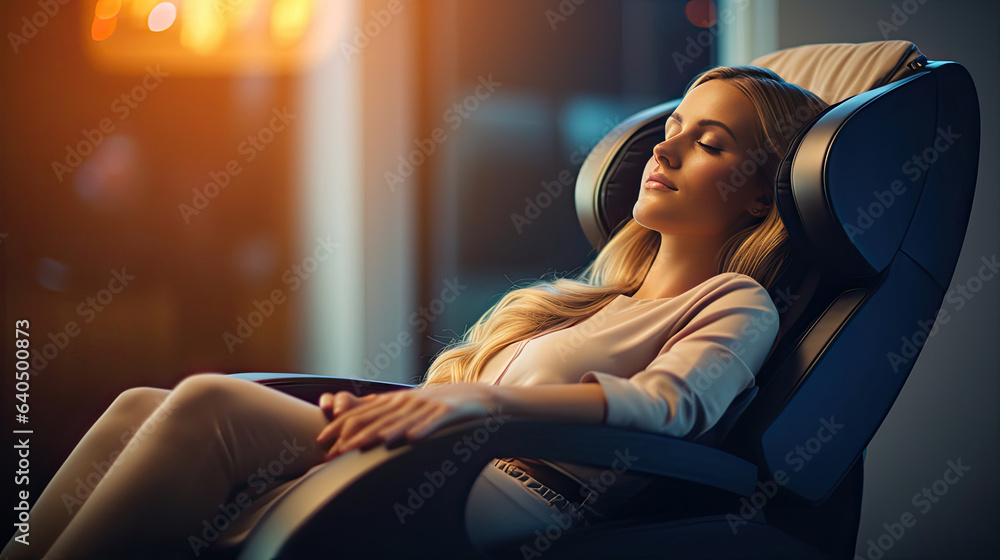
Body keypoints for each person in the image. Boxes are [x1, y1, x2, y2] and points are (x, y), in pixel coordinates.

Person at [1, 66, 827, 560]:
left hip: (518, 492)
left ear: (763, 192)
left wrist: (477, 398)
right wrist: (420, 407)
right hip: (451, 459)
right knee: (143, 404)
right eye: (673, 128)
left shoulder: (736, 301)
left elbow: (674, 409)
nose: (667, 149)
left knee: (210, 404)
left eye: (711, 143)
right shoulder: (600, 300)